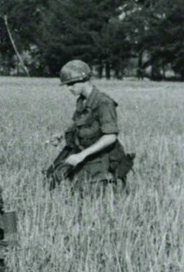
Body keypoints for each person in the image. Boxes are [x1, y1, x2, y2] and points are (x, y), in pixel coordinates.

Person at [47, 59, 134, 190]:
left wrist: (82, 156)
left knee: (85, 193)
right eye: (67, 85)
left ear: (84, 79)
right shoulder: (82, 101)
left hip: (102, 159)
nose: (69, 88)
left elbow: (110, 136)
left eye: (71, 84)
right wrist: (62, 136)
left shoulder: (103, 103)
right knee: (53, 178)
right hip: (85, 155)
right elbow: (80, 126)